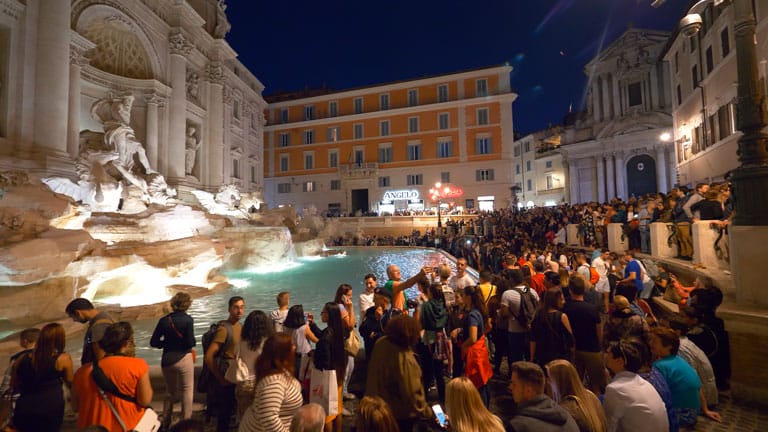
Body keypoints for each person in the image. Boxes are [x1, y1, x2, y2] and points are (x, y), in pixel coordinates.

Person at [72, 322, 153, 431]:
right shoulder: (137, 366)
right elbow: (145, 401)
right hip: (127, 426)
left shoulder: (81, 372)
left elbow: (75, 407)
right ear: (126, 343)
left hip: (90, 427)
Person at [366, 315, 432, 432]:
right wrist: (427, 412)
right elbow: (412, 393)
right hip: (398, 415)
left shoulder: (381, 343)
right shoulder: (405, 358)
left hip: (376, 408)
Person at [649, 327, 719, 428]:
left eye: (654, 341)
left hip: (680, 415)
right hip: (693, 414)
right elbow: (698, 387)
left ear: (668, 346)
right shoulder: (680, 360)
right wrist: (705, 410)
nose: (650, 343)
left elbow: (657, 394)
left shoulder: (660, 366)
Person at [10, 323, 73, 432]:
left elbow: (13, 383)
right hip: (51, 406)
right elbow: (70, 382)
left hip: (25, 404)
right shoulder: (63, 359)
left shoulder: (21, 358)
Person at [150, 292, 196, 428]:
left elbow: (153, 342)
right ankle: (186, 423)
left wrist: (167, 344)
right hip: (184, 358)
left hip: (167, 359)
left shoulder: (164, 321)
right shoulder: (188, 320)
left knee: (170, 392)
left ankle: (166, 420)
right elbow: (190, 342)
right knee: (187, 390)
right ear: (187, 304)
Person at [238, 334, 303, 432]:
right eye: (292, 345)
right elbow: (269, 419)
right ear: (283, 353)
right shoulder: (274, 382)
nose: (295, 347)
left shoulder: (278, 371)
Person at [603, 339, 669, 432]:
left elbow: (608, 427)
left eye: (608, 353)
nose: (604, 356)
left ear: (619, 361)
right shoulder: (644, 382)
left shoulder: (615, 389)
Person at [205, 296, 245, 432]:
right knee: (224, 414)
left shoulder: (240, 326)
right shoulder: (224, 329)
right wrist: (221, 379)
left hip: (235, 373)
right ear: (229, 309)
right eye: (236, 307)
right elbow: (209, 356)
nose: (239, 311)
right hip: (226, 374)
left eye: (242, 307)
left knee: (232, 411)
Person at [562, 276, 605, 395]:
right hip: (591, 349)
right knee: (596, 384)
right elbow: (599, 331)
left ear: (570, 290)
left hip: (574, 349)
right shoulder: (592, 309)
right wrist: (599, 347)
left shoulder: (565, 308)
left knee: (576, 382)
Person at [507, 361, 579, 432]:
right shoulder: (569, 418)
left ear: (528, 391)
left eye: (514, 384)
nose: (510, 387)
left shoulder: (518, 427)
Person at [545, 359, 606, 432]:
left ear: (559, 382)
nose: (547, 382)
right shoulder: (590, 396)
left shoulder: (565, 410)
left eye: (550, 379)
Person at [313, 302, 347, 431]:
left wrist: (314, 357)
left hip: (328, 377)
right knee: (336, 409)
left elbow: (325, 360)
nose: (321, 315)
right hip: (338, 373)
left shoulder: (327, 335)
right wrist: (313, 326)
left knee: (326, 413)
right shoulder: (337, 331)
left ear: (329, 315)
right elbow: (322, 335)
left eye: (323, 313)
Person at [458, 285, 493, 407]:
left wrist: (463, 346)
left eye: (463, 295)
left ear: (468, 297)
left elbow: (472, 337)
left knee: (477, 382)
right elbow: (488, 327)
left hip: (474, 353)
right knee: (484, 380)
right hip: (481, 349)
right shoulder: (480, 311)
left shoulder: (472, 315)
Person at [236, 310, 275, 419]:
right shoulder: (269, 343)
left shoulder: (241, 342)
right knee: (262, 419)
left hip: (245, 382)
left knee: (245, 418)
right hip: (264, 383)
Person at [0, 327, 39, 430]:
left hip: (20, 397)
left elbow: (8, 378)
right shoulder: (49, 356)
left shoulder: (17, 358)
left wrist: (2, 394)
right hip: (42, 398)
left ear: (25, 341)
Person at [499, 269, 539, 365]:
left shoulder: (507, 294)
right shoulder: (531, 291)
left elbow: (504, 314)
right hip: (531, 329)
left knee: (516, 357)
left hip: (515, 330)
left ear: (511, 280)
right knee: (529, 355)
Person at [419, 282, 450, 403]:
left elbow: (422, 322)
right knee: (439, 370)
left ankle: (425, 397)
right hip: (440, 339)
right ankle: (442, 396)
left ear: (430, 293)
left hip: (428, 339)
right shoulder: (444, 305)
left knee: (426, 369)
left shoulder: (426, 306)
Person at [530, 288, 574, 367]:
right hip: (559, 355)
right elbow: (570, 339)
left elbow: (533, 338)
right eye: (561, 299)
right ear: (555, 300)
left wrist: (532, 358)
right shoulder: (562, 316)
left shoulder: (538, 316)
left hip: (542, 355)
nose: (564, 302)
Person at [65, 298, 114, 365]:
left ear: (78, 313)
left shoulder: (98, 327)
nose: (74, 320)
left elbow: (101, 356)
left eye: (73, 317)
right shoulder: (104, 316)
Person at [283, 305, 319, 384]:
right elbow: (314, 339)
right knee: (304, 379)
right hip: (305, 355)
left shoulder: (285, 327)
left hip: (290, 355)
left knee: (293, 379)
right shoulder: (304, 327)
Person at [333, 284, 356, 400]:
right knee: (345, 370)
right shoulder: (342, 308)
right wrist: (351, 308)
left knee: (350, 366)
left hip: (340, 341)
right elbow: (351, 325)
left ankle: (344, 392)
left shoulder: (337, 306)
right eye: (348, 295)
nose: (350, 298)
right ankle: (340, 399)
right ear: (342, 296)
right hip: (343, 343)